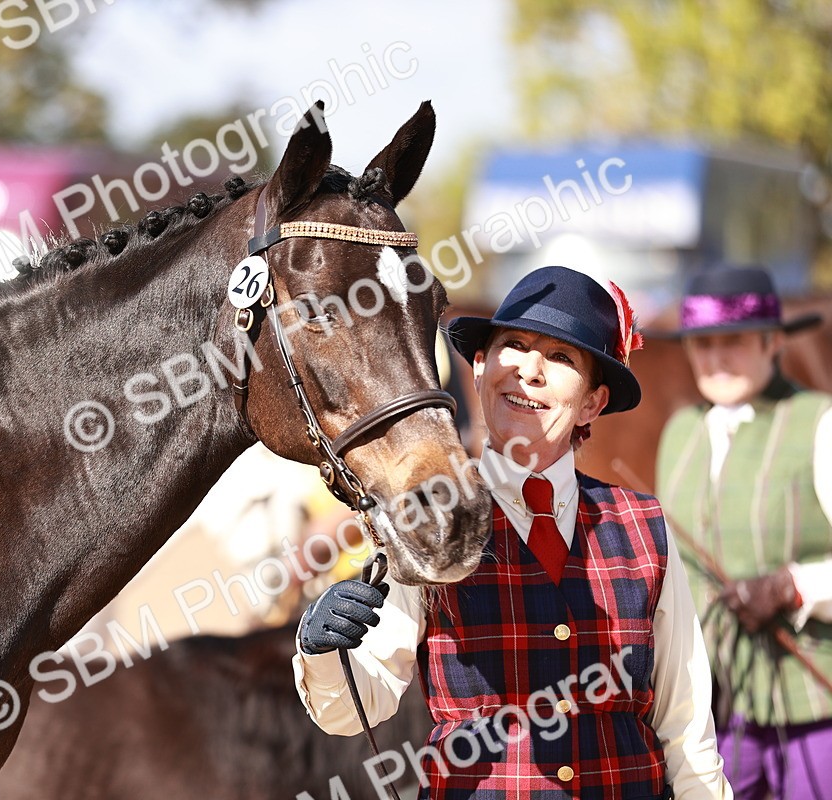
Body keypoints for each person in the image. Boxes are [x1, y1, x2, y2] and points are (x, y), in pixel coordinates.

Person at [292, 265, 731, 799]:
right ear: (478, 368)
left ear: (592, 402)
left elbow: (685, 726)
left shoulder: (644, 524)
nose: (530, 370)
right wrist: (322, 649)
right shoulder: (428, 518)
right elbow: (361, 700)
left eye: (562, 357)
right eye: (514, 345)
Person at [655, 265, 832, 799]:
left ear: (772, 341)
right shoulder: (679, 433)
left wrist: (791, 587)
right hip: (718, 711)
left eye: (733, 342)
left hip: (815, 707)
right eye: (702, 343)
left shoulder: (818, 422)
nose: (716, 358)